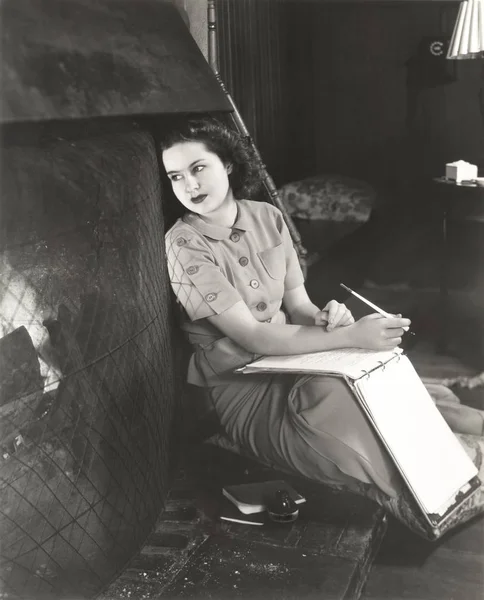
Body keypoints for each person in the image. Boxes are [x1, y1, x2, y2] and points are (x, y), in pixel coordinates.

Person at [162, 116, 484, 540]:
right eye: (175, 176)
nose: (189, 185)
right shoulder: (184, 244)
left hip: (296, 358)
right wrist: (348, 336)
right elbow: (253, 337)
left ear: (227, 165)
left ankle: (463, 430)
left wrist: (328, 317)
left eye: (198, 168)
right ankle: (426, 487)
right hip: (244, 390)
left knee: (377, 375)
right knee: (333, 397)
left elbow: (299, 306)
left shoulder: (268, 217)